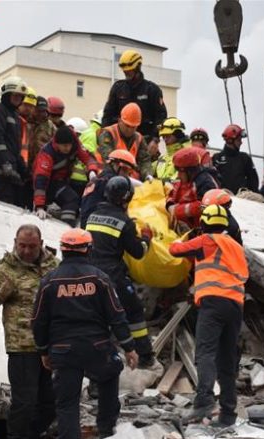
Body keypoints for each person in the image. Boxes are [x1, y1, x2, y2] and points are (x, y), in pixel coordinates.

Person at [32, 228, 139, 439]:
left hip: (63, 350)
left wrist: (43, 351)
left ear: (63, 251)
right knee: (109, 376)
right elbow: (116, 315)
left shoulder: (49, 281)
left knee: (67, 403)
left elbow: (38, 321)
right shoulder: (100, 278)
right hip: (97, 347)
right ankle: (107, 431)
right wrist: (129, 347)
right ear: (89, 249)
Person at [169, 205, 248, 427]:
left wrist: (175, 240)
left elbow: (175, 250)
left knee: (205, 352)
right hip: (235, 306)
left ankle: (203, 401)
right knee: (227, 359)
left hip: (213, 303)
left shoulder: (206, 240)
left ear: (203, 224)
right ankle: (227, 415)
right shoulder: (235, 246)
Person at [0, 225, 59, 439]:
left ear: (41, 245)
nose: (26, 251)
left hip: (50, 348)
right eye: (21, 245)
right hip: (22, 347)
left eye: (32, 247)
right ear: (15, 242)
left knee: (50, 404)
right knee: (25, 402)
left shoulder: (54, 268)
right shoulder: (7, 271)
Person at [85, 176, 155, 366]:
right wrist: (147, 238)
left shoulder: (92, 215)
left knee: (98, 315)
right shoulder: (125, 222)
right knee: (133, 310)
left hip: (90, 273)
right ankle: (145, 355)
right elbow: (138, 252)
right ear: (126, 198)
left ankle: (95, 358)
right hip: (113, 275)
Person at [33, 126, 100, 224]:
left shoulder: (75, 144)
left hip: (60, 181)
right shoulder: (47, 154)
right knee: (69, 199)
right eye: (64, 146)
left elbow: (87, 158)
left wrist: (92, 171)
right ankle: (65, 226)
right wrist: (39, 206)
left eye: (69, 145)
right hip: (48, 183)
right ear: (57, 144)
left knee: (73, 202)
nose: (67, 148)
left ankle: (67, 226)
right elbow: (40, 180)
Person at [102, 49, 167, 138]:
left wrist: (155, 139)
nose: (126, 72)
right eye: (124, 71)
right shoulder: (117, 88)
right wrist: (105, 136)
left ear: (138, 67)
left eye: (129, 70)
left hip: (145, 141)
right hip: (119, 141)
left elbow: (161, 117)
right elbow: (107, 116)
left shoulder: (152, 90)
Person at [0, 76, 29, 206]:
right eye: (15, 95)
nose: (18, 99)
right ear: (7, 95)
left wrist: (25, 171)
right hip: (0, 171)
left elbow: (15, 148)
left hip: (13, 171)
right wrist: (5, 164)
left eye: (20, 96)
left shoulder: (16, 117)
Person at [166, 147, 221, 232]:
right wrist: (169, 205)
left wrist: (177, 210)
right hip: (184, 229)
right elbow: (172, 194)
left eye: (180, 171)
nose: (178, 175)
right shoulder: (185, 181)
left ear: (189, 171)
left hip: (201, 231)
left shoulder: (206, 183)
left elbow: (205, 206)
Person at [80, 149, 138, 228]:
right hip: (97, 224)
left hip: (89, 222)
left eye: (129, 171)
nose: (126, 174)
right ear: (114, 164)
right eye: (125, 169)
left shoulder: (100, 179)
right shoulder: (111, 183)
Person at [97, 103, 152, 179]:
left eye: (133, 127)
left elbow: (145, 161)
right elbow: (109, 157)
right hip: (106, 177)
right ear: (120, 121)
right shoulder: (108, 133)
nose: (129, 130)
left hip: (128, 180)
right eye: (127, 125)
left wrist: (148, 175)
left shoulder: (139, 139)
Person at [212, 124, 258, 195]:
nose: (241, 142)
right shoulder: (216, 158)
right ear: (230, 140)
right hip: (222, 199)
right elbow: (212, 180)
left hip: (242, 201)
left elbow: (254, 182)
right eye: (239, 139)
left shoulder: (245, 158)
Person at [153, 117, 189, 182]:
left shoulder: (187, 155)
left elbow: (181, 178)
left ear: (177, 135)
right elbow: (149, 169)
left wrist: (164, 182)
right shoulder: (163, 157)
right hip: (160, 191)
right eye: (163, 137)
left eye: (168, 136)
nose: (165, 140)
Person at [27, 96, 56, 172]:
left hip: (42, 167)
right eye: (38, 111)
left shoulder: (51, 127)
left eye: (44, 111)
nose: (42, 114)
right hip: (25, 165)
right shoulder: (26, 122)